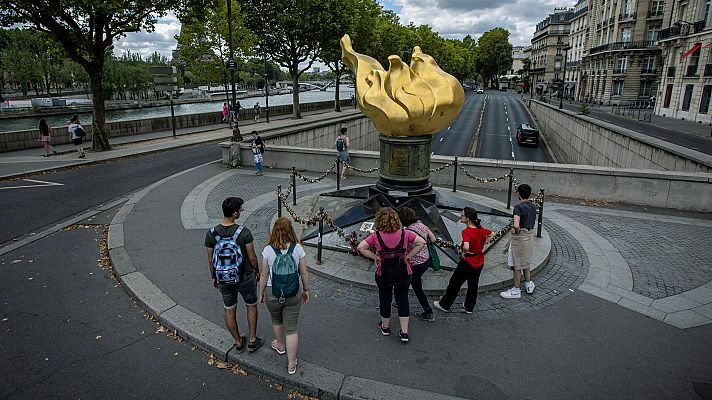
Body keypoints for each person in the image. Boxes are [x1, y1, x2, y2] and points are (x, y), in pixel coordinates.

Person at [205, 197, 264, 354]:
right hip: (245, 276)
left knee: (229, 309)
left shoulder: (211, 234)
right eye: (240, 210)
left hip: (223, 278)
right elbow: (252, 256)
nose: (241, 212)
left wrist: (214, 277)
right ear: (235, 213)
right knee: (251, 305)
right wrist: (257, 271)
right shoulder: (243, 233)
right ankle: (252, 340)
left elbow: (211, 259)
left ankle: (238, 342)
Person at [357, 207, 425, 343]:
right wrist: (409, 257)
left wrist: (375, 257)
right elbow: (421, 242)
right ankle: (404, 332)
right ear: (396, 220)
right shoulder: (405, 234)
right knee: (403, 300)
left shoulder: (375, 236)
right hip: (404, 273)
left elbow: (360, 247)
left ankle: (385, 327)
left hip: (383, 274)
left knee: (385, 299)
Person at [258, 217, 310, 375]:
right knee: (292, 328)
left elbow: (263, 275)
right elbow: (304, 272)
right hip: (293, 292)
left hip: (272, 292)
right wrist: (306, 290)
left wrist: (260, 294)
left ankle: (280, 345)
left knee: (276, 319)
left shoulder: (268, 250)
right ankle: (291, 363)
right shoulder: (297, 248)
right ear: (291, 230)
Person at [433, 207, 494, 314]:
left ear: (468, 218)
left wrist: (464, 252)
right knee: (473, 285)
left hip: (467, 262)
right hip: (479, 260)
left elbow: (466, 246)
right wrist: (483, 243)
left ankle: (445, 304)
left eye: (462, 216)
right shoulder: (481, 230)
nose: (460, 217)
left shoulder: (466, 232)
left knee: (454, 283)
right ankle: (469, 307)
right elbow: (492, 234)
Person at [398, 207, 437, 322]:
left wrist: (409, 255)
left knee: (416, 287)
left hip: (415, 263)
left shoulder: (407, 232)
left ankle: (428, 311)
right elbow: (433, 239)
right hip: (426, 260)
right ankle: (399, 299)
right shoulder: (422, 225)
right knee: (407, 280)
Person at [500, 184, 538, 299]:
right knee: (526, 262)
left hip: (519, 238)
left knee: (516, 264)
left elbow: (516, 225)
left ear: (518, 194)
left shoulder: (518, 207)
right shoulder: (533, 206)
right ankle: (528, 283)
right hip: (529, 236)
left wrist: (515, 230)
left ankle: (516, 290)